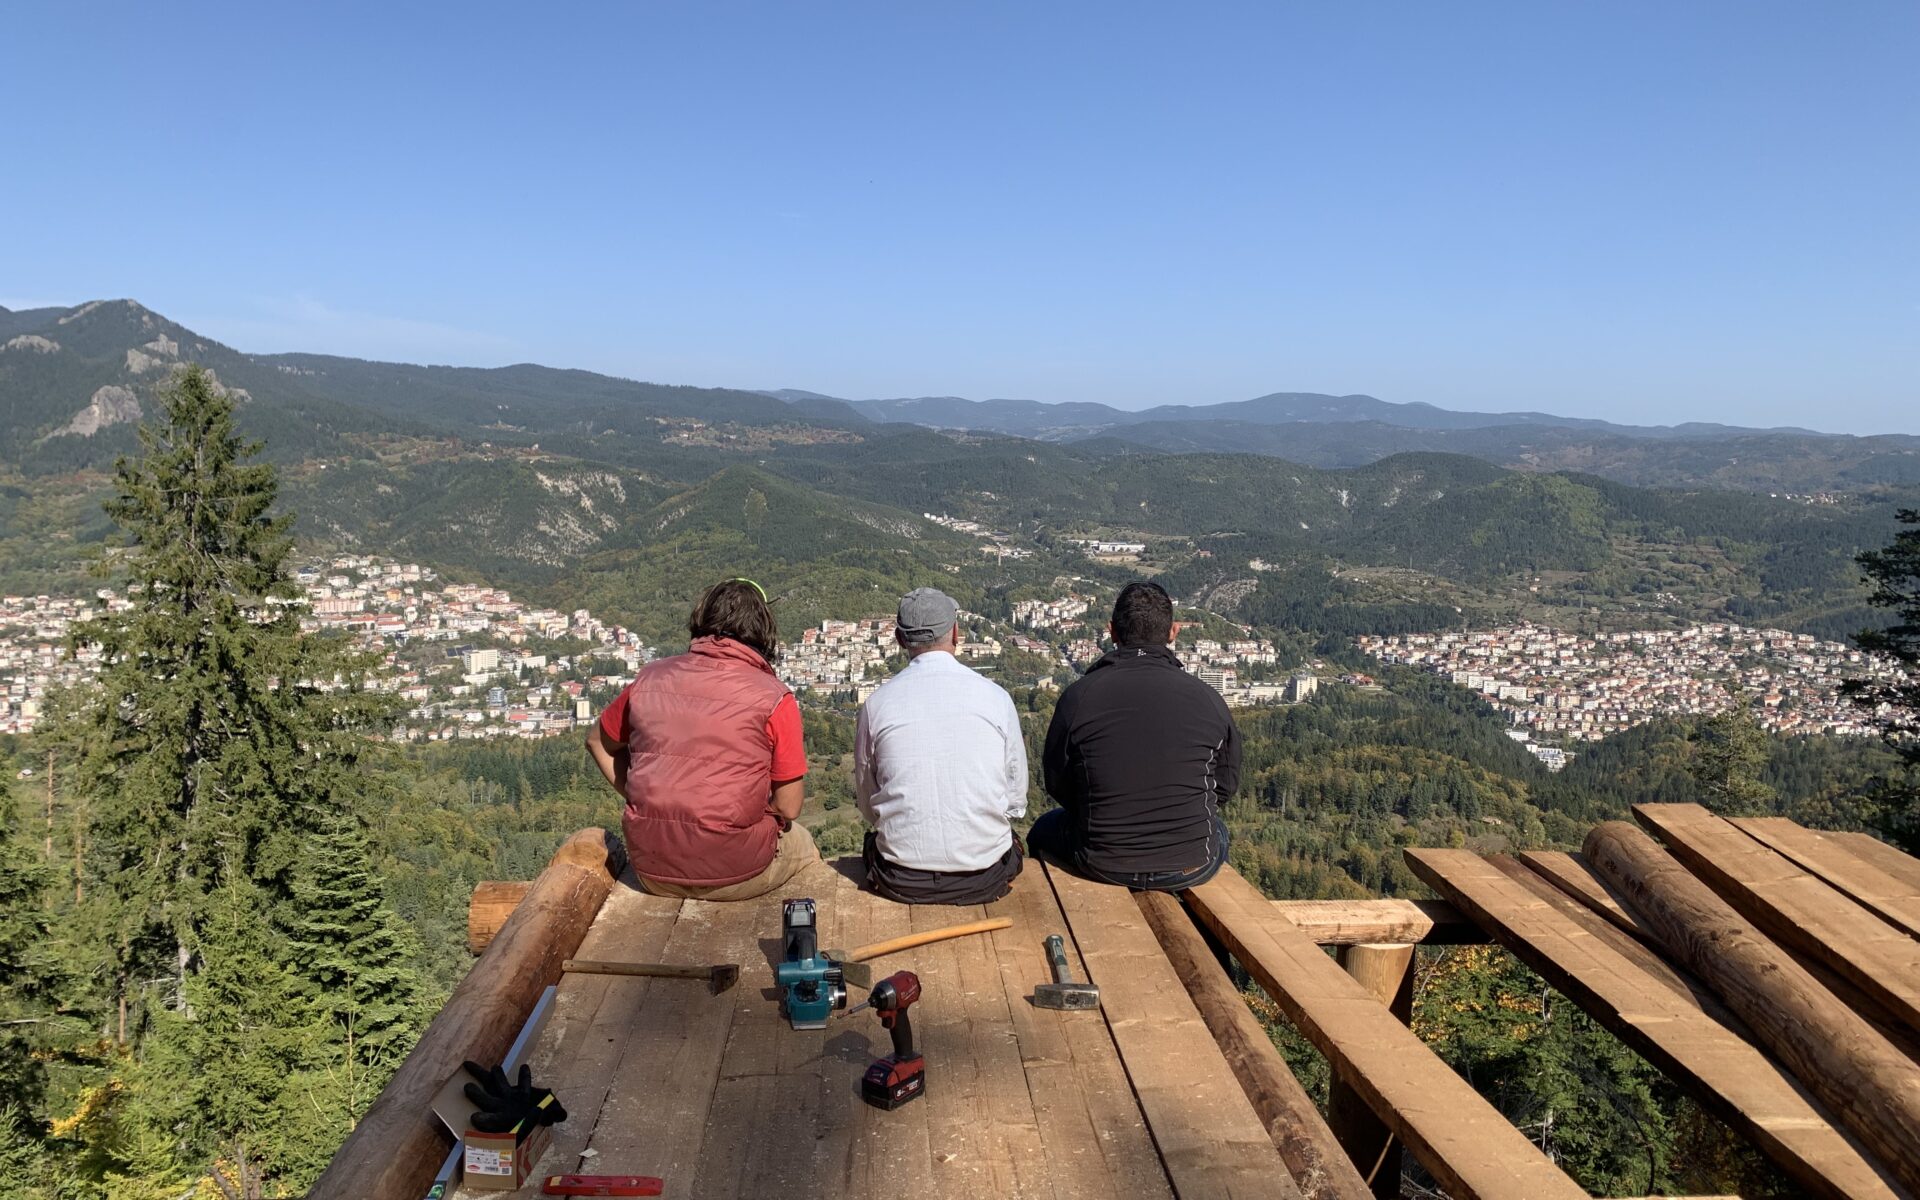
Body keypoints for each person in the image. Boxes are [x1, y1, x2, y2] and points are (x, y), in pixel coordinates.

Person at [586, 578, 818, 900]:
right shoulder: (775, 697)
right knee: (805, 846)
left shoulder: (649, 679)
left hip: (652, 871)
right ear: (763, 630)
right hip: (736, 871)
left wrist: (642, 799)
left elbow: (597, 742)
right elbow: (789, 807)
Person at [1028, 580, 1237, 891]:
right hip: (1191, 864)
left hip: (1101, 860)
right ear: (1173, 632)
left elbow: (1058, 782)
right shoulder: (1209, 699)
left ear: (1112, 631)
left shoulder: (1079, 697)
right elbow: (1224, 786)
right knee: (1218, 830)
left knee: (1042, 829)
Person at [855, 587, 1028, 905]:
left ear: (900, 639)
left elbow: (868, 803)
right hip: (984, 876)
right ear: (956, 633)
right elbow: (1015, 800)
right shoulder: (996, 698)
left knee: (870, 843)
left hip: (900, 878)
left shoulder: (876, 705)